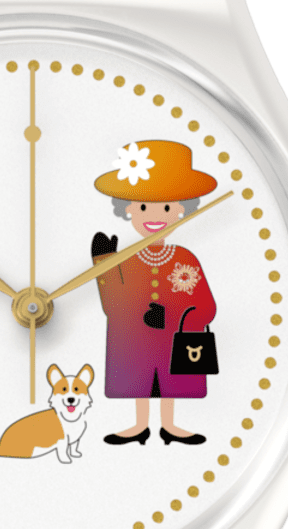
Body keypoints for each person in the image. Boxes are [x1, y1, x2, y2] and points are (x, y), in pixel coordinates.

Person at [92, 140, 217, 446]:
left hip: (175, 337)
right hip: (135, 338)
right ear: (129, 209)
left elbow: (206, 306)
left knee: (172, 378)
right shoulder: (126, 259)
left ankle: (169, 425)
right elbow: (112, 305)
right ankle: (140, 425)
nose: (154, 215)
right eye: (144, 207)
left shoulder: (184, 258)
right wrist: (103, 263)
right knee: (140, 376)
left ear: (181, 210)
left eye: (166, 207)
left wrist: (179, 318)